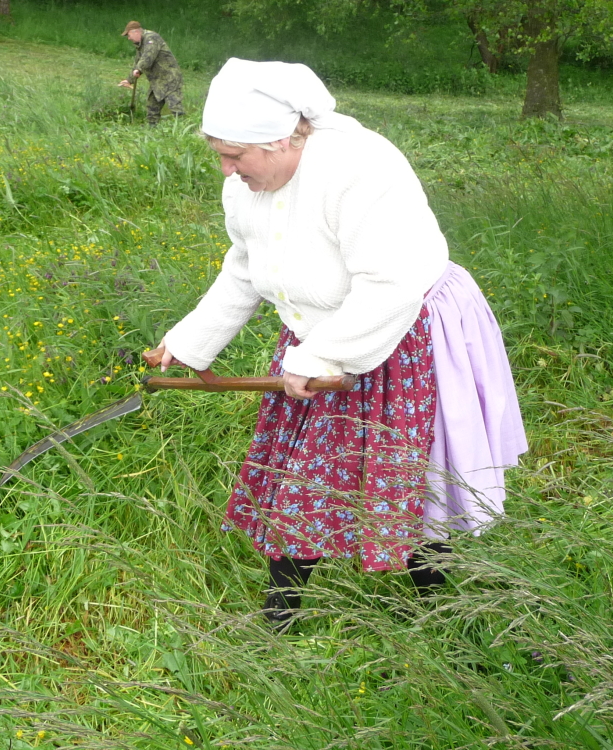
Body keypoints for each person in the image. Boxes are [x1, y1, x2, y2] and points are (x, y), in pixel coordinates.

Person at [149, 59, 528, 629]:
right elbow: (245, 268)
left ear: (281, 140)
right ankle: (280, 613)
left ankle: (440, 612)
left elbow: (391, 284)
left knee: (410, 475)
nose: (226, 169)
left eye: (234, 155)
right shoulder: (247, 185)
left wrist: (322, 356)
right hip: (320, 336)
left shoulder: (360, 168)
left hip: (403, 331)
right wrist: (190, 342)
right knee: (301, 474)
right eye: (220, 155)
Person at [117, 21, 184, 126]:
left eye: (128, 35)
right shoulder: (141, 44)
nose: (129, 38)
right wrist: (129, 80)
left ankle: (183, 129)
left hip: (169, 77)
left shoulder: (151, 38)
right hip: (157, 79)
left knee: (175, 106)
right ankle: (152, 129)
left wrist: (139, 69)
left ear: (136, 32)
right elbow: (138, 62)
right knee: (152, 107)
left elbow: (148, 58)